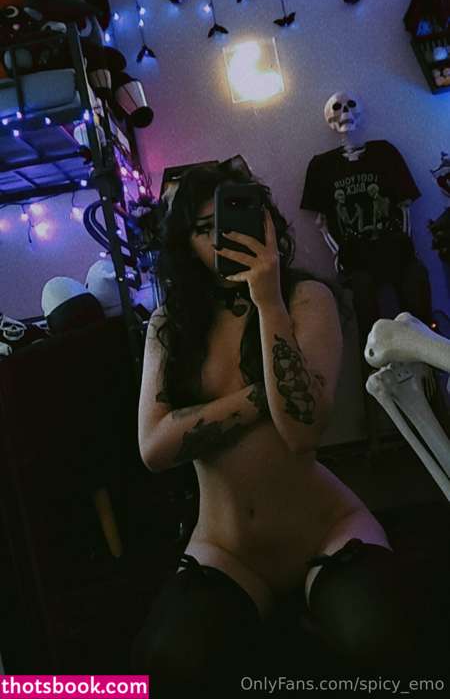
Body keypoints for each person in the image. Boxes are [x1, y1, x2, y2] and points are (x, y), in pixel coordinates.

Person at [132, 160, 419, 695]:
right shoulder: (170, 326)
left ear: (265, 222)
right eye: (204, 228)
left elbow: (302, 433)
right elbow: (154, 446)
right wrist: (261, 396)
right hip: (225, 547)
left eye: (235, 220)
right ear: (183, 242)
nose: (222, 238)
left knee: (379, 637)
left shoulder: (306, 299)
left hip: (326, 530)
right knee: (167, 661)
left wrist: (267, 301)